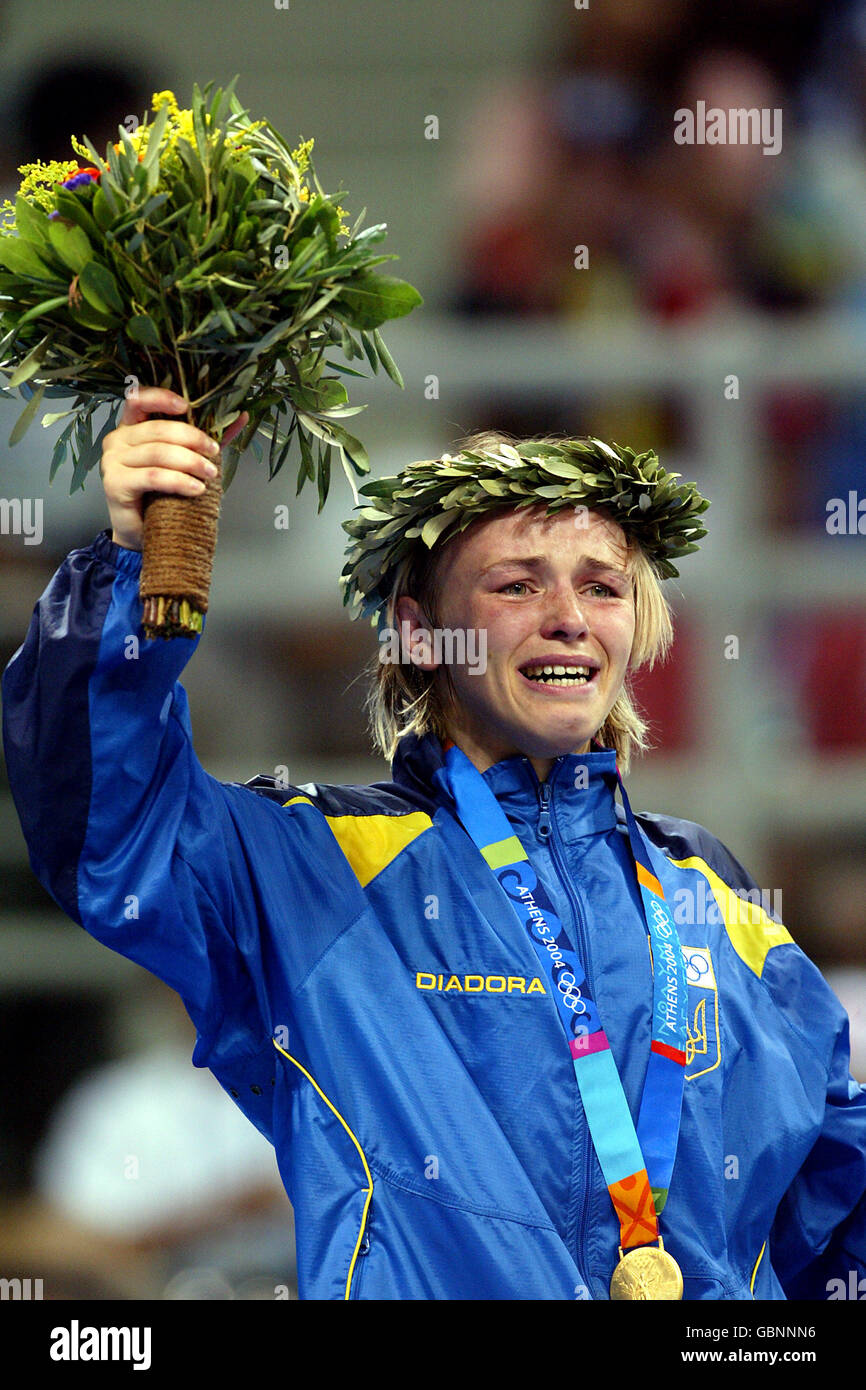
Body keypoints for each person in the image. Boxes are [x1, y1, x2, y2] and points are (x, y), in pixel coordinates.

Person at [3, 386, 865, 1301]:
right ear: (419, 632)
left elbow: (835, 1202)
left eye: (602, 586)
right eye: (516, 583)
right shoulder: (318, 875)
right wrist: (137, 565)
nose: (569, 614)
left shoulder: (710, 901)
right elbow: (108, 825)